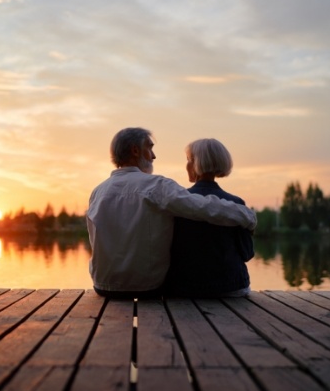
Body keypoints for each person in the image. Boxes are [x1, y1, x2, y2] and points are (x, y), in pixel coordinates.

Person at [86, 127, 257, 298]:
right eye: (150, 148)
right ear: (135, 150)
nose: (153, 156)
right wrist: (246, 215)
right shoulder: (156, 185)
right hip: (147, 288)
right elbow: (203, 207)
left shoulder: (98, 192)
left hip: (102, 286)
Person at [165, 138, 254, 298]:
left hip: (185, 288)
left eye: (188, 160)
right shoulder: (235, 203)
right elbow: (247, 253)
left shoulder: (178, 202)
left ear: (195, 164)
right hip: (231, 287)